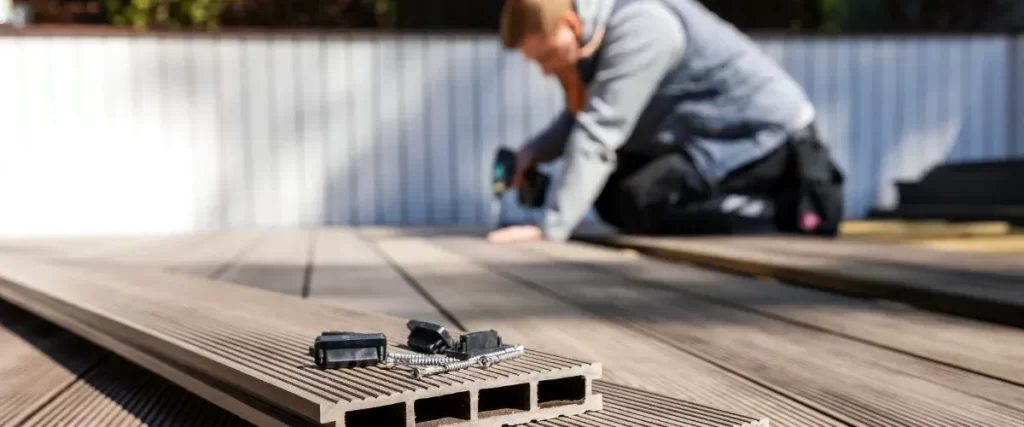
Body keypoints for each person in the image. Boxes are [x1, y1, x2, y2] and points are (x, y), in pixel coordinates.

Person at [486, 0, 845, 244]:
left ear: (570, 23)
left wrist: (550, 232)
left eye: (547, 55)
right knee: (613, 197)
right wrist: (530, 154)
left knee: (639, 200)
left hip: (763, 136)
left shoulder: (641, 26)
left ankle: (783, 212)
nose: (546, 69)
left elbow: (599, 131)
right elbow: (581, 119)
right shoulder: (596, 36)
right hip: (706, 138)